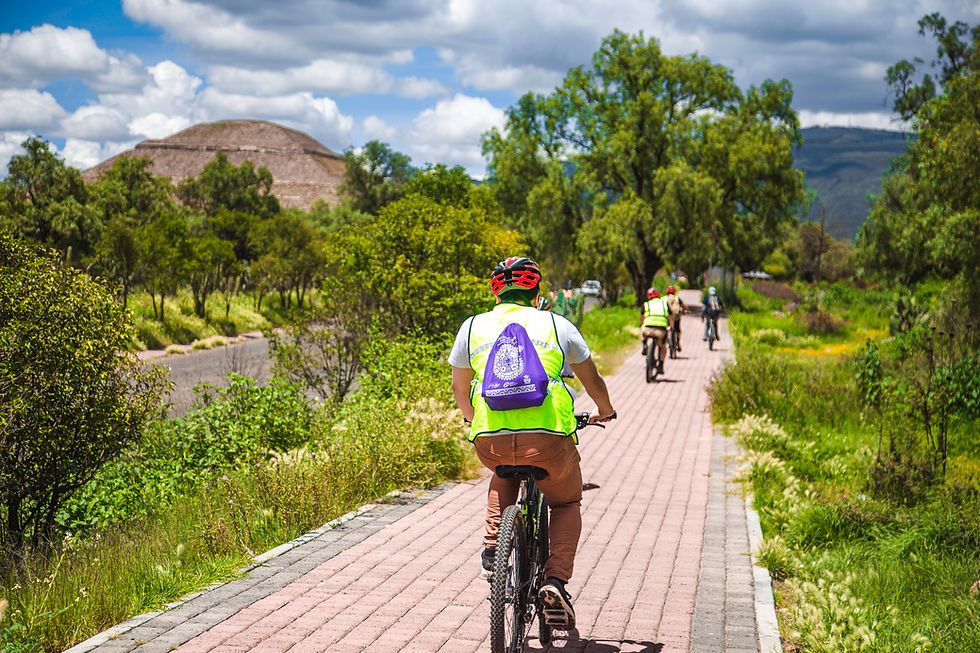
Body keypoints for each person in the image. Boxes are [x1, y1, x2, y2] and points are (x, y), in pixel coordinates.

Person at [448, 256, 616, 630]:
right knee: (566, 500)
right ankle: (555, 581)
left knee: (502, 472)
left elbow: (460, 388)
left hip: (489, 438)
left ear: (496, 293)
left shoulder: (472, 327)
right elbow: (592, 379)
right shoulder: (558, 324)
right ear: (536, 293)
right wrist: (604, 409)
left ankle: (493, 547)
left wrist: (472, 418)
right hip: (548, 440)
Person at [640, 288, 670, 374]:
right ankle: (660, 364)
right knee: (663, 346)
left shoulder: (646, 304)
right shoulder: (664, 304)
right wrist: (670, 327)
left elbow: (642, 318)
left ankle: (644, 343)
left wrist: (642, 324)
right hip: (661, 330)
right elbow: (670, 316)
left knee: (642, 329)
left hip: (647, 329)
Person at [665, 286, 685, 352]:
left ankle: (667, 340)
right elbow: (684, 305)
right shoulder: (677, 298)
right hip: (676, 317)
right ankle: (678, 343)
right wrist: (687, 310)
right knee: (678, 329)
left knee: (666, 329)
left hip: (667, 317)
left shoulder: (665, 298)